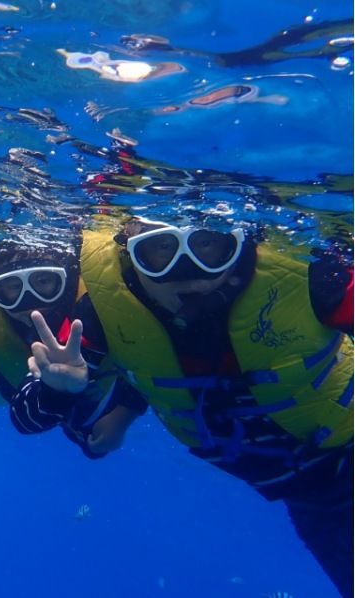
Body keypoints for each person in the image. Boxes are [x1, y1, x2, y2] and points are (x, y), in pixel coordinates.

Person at [79, 217, 353, 596]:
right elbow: (136, 365)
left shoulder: (312, 274)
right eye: (160, 251)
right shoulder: (105, 307)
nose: (186, 272)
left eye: (207, 245)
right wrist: (94, 404)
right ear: (128, 244)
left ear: (240, 242)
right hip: (307, 496)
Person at [0, 239, 148, 459]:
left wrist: (125, 414)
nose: (30, 302)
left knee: (93, 444)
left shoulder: (93, 309)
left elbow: (147, 355)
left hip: (96, 388)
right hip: (17, 385)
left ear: (66, 280)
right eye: (12, 288)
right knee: (91, 441)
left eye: (43, 281)